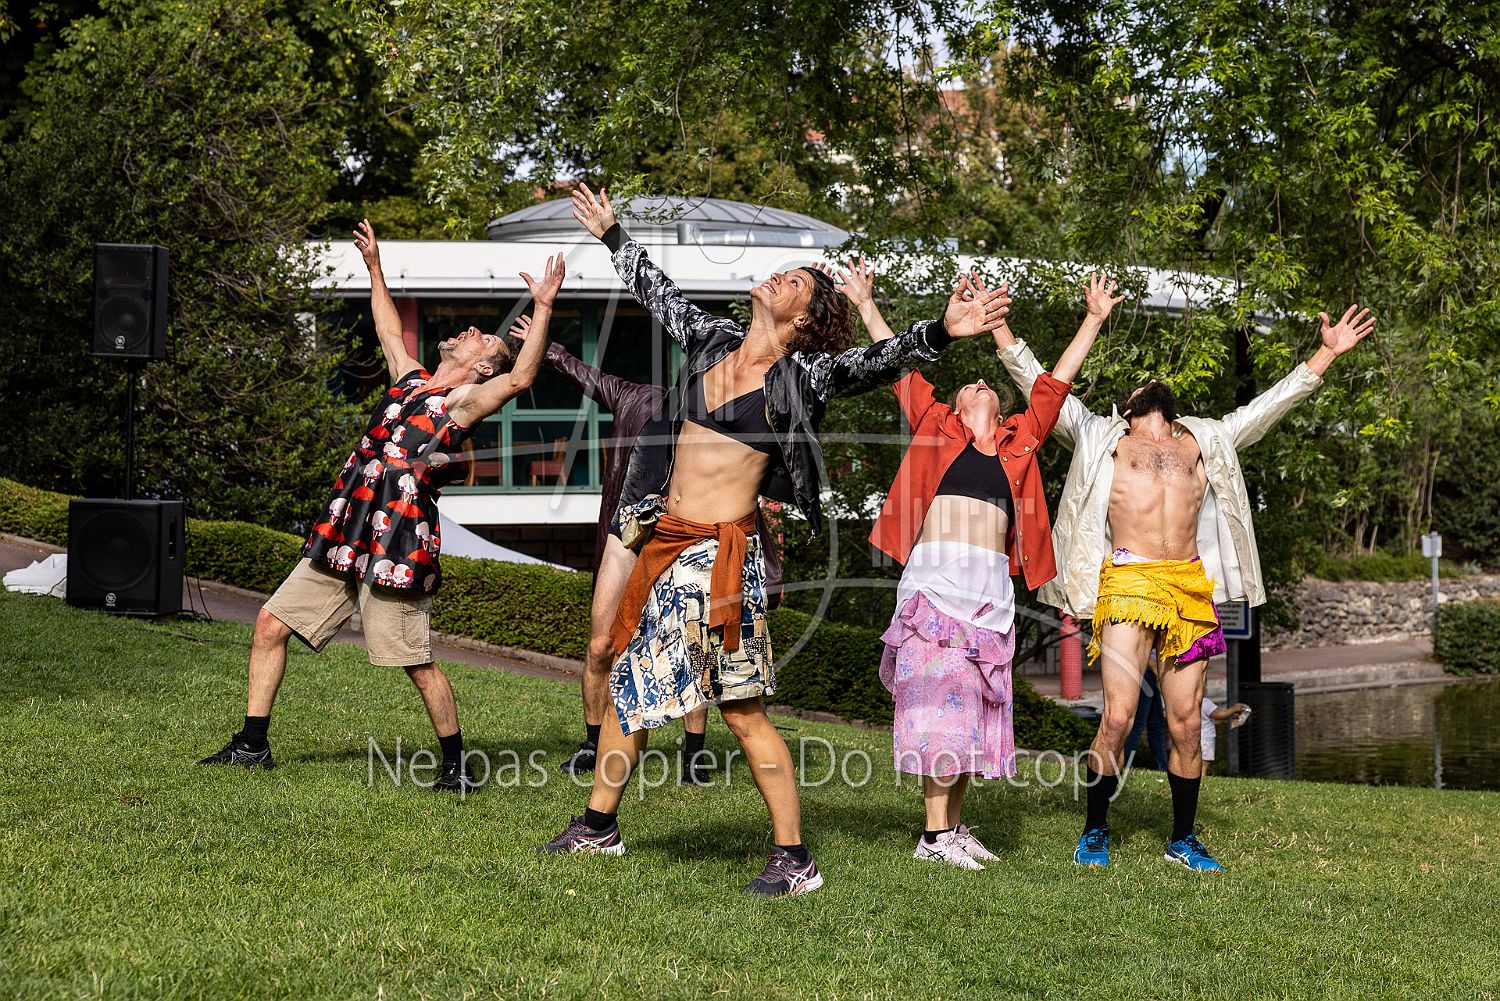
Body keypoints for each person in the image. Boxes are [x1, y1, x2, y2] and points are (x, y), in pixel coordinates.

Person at [539, 183, 1009, 896]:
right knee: (631, 689)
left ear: (803, 316)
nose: (775, 279)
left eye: (791, 282)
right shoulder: (711, 340)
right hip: (668, 546)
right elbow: (657, 292)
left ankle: (794, 857)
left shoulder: (801, 378)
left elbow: (875, 364)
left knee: (740, 710)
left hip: (723, 563)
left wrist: (941, 332)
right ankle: (599, 825)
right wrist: (611, 233)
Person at [996, 302, 1375, 871]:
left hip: (1189, 587)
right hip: (1128, 580)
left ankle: (1183, 838)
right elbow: (1039, 384)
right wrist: (1000, 326)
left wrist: (1325, 354)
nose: (1152, 383)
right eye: (1140, 384)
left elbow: (1270, 407)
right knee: (1118, 718)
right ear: (1127, 405)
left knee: (1187, 723)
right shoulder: (1101, 436)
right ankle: (1095, 830)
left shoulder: (1207, 439)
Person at [197, 220, 565, 792]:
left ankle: (455, 767)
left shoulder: (463, 402)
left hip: (396, 543)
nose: (472, 331)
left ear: (483, 368)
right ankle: (252, 744)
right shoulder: (411, 382)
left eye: (484, 339)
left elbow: (520, 380)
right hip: (346, 532)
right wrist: (374, 267)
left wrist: (542, 308)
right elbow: (389, 329)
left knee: (415, 662)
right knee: (269, 623)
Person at [869, 272, 1123, 870]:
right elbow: (897, 364)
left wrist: (1093, 318)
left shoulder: (1019, 440)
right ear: (957, 406)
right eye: (970, 383)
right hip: (934, 589)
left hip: (989, 594)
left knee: (971, 714)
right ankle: (934, 837)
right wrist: (866, 303)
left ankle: (953, 829)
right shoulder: (934, 425)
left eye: (987, 383)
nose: (981, 381)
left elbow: (1055, 385)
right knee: (939, 709)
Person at [505, 313, 786, 786]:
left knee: (696, 651)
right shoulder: (636, 397)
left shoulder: (733, 417)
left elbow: (753, 495)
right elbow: (583, 373)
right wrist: (545, 342)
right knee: (601, 646)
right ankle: (593, 745)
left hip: (690, 545)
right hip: (627, 540)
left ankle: (693, 755)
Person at [1124, 664, 1169, 771]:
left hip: (1149, 675)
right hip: (1144, 673)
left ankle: (1163, 768)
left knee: (1157, 725)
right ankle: (1123, 765)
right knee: (1137, 724)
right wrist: (1155, 668)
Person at [1199, 697, 1250, 778]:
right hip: (1206, 738)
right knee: (1203, 764)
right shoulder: (1204, 702)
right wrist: (1233, 709)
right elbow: (1218, 715)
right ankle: (1202, 780)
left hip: (1193, 736)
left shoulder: (1188, 701)